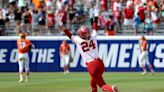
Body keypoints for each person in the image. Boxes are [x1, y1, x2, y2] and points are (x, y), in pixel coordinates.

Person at [56, 16, 119, 92]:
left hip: (91, 65)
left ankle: (112, 89)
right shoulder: (93, 36)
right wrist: (95, 15)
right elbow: (95, 26)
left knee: (102, 85)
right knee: (93, 81)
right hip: (100, 63)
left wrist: (60, 23)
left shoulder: (78, 40)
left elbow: (66, 32)